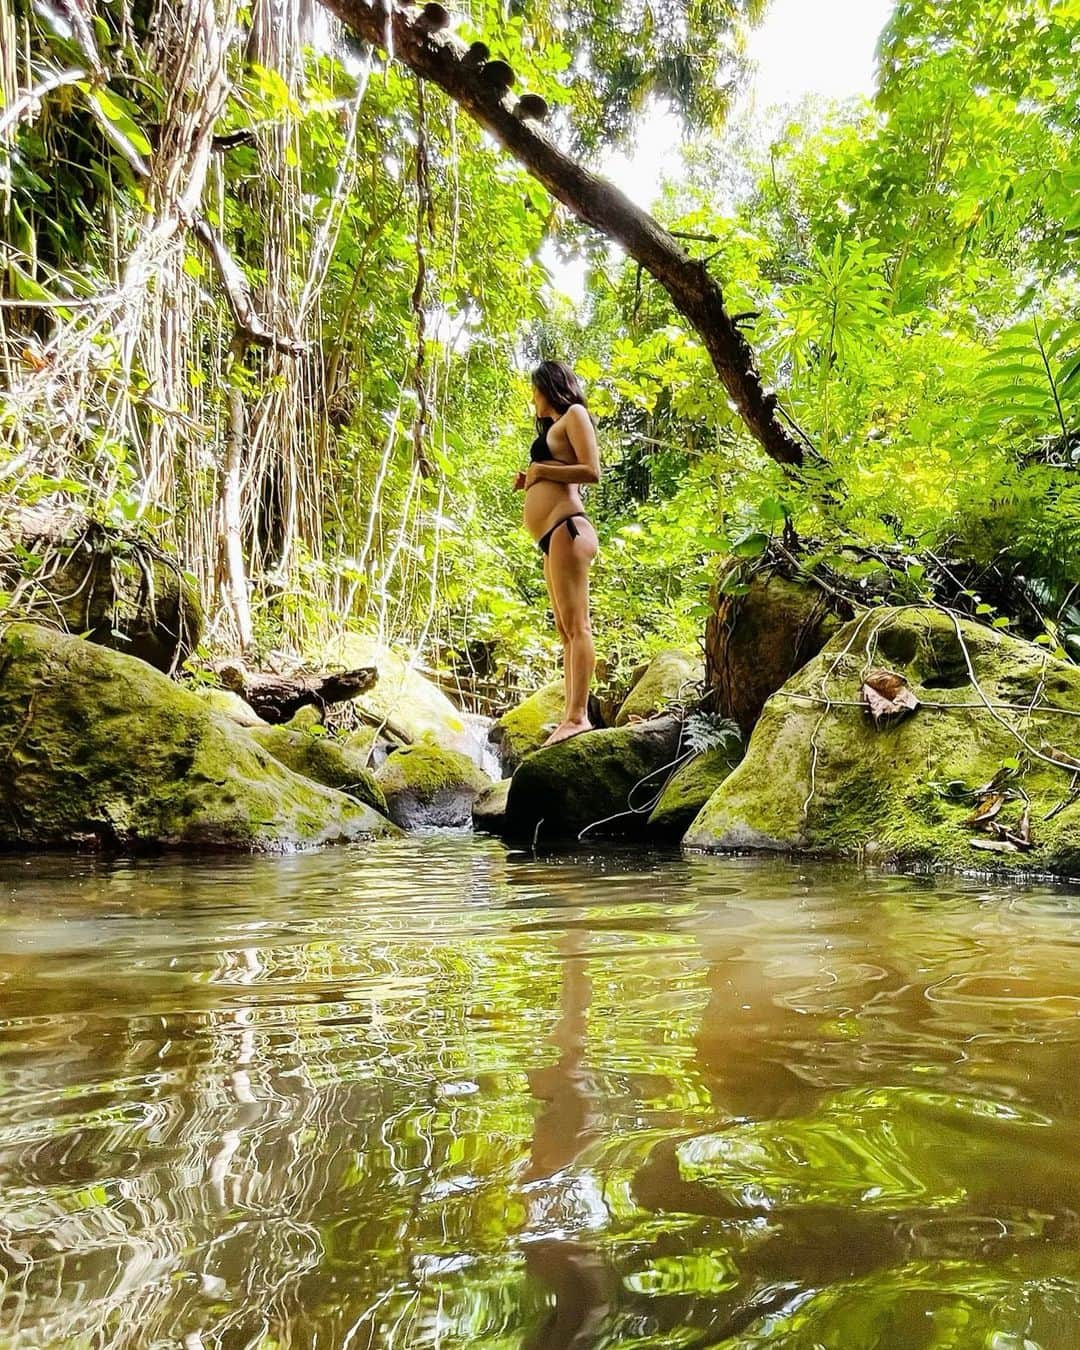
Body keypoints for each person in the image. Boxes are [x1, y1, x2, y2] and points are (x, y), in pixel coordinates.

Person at [513, 361, 601, 746]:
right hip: (552, 536)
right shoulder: (552, 430)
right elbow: (555, 467)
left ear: (549, 386)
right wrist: (530, 478)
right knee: (565, 631)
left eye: (535, 388)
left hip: (569, 528)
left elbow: (591, 471)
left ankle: (579, 716)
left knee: (578, 626)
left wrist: (543, 472)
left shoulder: (575, 415)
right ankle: (570, 715)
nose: (532, 396)